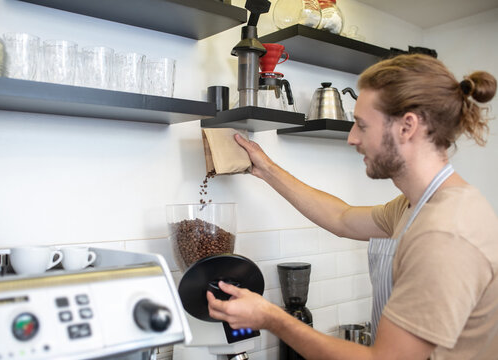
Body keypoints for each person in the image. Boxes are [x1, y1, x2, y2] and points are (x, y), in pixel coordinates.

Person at [206, 54, 498, 359]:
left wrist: (271, 318)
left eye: (362, 125)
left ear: (407, 126)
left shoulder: (444, 232)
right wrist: (266, 169)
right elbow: (342, 218)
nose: (352, 138)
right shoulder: (415, 206)